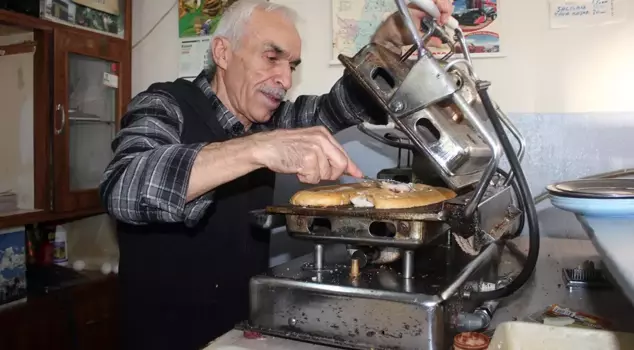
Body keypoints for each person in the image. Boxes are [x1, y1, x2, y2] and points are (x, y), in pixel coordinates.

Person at [99, 0, 453, 349]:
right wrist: (257, 148)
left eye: (292, 65)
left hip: (240, 332)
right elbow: (124, 186)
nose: (285, 79)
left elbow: (347, 102)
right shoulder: (163, 104)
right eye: (272, 58)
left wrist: (388, 40)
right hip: (165, 336)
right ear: (222, 53)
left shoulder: (270, 119)